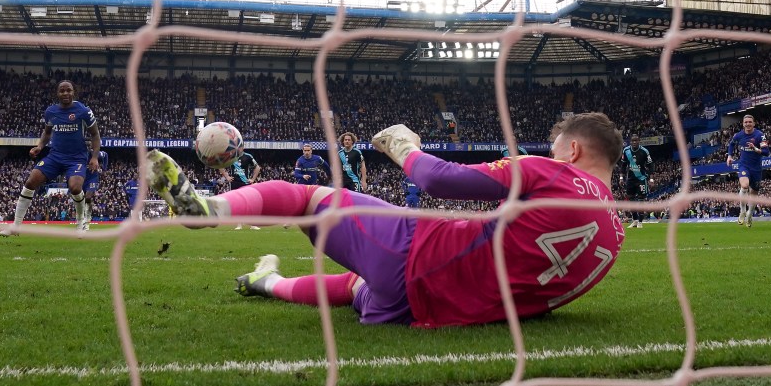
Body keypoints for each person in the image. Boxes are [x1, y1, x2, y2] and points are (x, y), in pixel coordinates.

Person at [146, 112, 625, 327]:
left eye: (558, 146)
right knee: (355, 283)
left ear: (575, 149)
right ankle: (263, 281)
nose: (551, 152)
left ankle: (212, 211)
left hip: (422, 253)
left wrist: (405, 146)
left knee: (309, 196)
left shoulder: (551, 172)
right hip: (425, 309)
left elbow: (441, 180)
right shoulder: (616, 235)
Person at [0, 80, 100, 236]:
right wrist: (39, 146)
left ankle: (80, 223)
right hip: (55, 156)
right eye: (62, 91)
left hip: (76, 158)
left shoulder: (83, 111)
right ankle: (15, 226)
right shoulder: (51, 112)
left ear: (73, 92)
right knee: (31, 181)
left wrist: (94, 157)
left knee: (75, 187)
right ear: (57, 93)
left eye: (68, 90)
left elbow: (95, 135)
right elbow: (47, 133)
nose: (65, 93)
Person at [726, 113, 770, 227]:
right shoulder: (738, 136)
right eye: (746, 122)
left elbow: (766, 152)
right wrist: (729, 156)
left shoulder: (760, 135)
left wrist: (755, 149)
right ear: (743, 124)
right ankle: (742, 211)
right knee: (744, 186)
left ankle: (750, 214)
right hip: (743, 166)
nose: (748, 124)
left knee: (753, 194)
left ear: (754, 123)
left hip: (756, 168)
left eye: (750, 122)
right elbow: (731, 145)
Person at [220, 150, 262, 229]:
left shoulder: (248, 156)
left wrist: (253, 179)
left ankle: (253, 224)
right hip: (234, 183)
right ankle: (239, 224)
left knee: (250, 203)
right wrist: (227, 176)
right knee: (237, 204)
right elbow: (220, 165)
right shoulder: (230, 156)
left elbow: (257, 167)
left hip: (245, 183)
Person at [620, 134, 652, 229]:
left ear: (639, 141)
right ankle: (635, 220)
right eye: (632, 141)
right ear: (630, 142)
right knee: (631, 200)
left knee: (641, 200)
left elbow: (651, 165)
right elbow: (623, 165)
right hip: (630, 179)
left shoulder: (644, 151)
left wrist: (651, 179)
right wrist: (621, 177)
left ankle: (640, 222)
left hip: (641, 178)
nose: (634, 142)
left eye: (636, 140)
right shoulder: (626, 151)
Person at [79, 148, 109, 232]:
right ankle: (82, 218)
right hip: (82, 177)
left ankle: (87, 220)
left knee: (88, 196)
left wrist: (104, 169)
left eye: (89, 143)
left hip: (93, 178)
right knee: (81, 198)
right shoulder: (80, 152)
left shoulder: (96, 153)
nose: (88, 145)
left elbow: (105, 154)